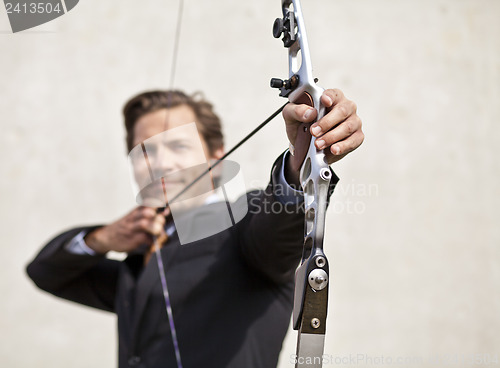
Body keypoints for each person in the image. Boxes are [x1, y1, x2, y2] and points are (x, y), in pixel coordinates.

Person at [26, 89, 363, 368]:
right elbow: (45, 272)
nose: (159, 162)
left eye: (178, 146)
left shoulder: (244, 224)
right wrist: (101, 239)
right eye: (145, 150)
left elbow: (281, 227)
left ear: (216, 159)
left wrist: (302, 160)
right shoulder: (139, 259)